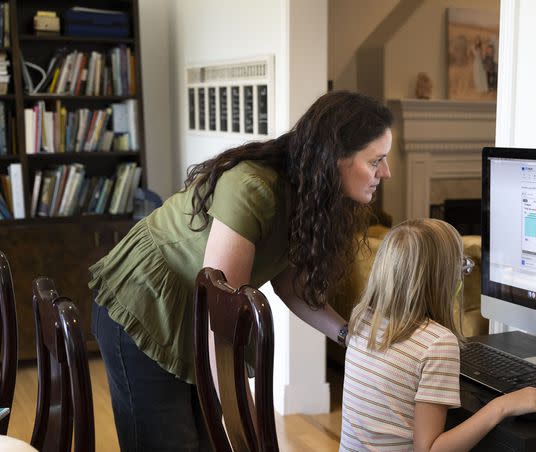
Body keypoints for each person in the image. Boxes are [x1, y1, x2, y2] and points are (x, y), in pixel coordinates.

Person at [89, 90, 393, 451]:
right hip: (144, 300)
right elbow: (221, 320)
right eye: (376, 161)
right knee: (170, 442)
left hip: (197, 311)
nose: (385, 173)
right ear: (334, 157)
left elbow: (290, 285)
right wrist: (252, 432)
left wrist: (349, 336)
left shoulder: (311, 196)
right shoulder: (254, 186)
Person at [340, 219, 536, 452]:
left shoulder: (364, 319)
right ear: (444, 278)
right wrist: (501, 406)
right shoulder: (436, 343)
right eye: (461, 267)